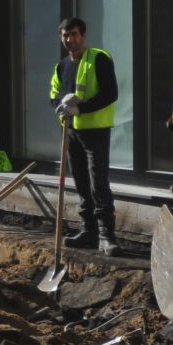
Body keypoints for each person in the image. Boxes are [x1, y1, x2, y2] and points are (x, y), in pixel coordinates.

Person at [50, 16, 119, 254]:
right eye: (65, 35)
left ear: (83, 35)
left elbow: (111, 93)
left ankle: (106, 235)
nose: (70, 39)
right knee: (81, 182)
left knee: (98, 182)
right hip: (71, 132)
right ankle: (88, 231)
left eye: (74, 34)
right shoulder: (61, 66)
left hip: (95, 131)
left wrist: (81, 108)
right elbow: (53, 94)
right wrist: (61, 103)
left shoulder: (98, 58)